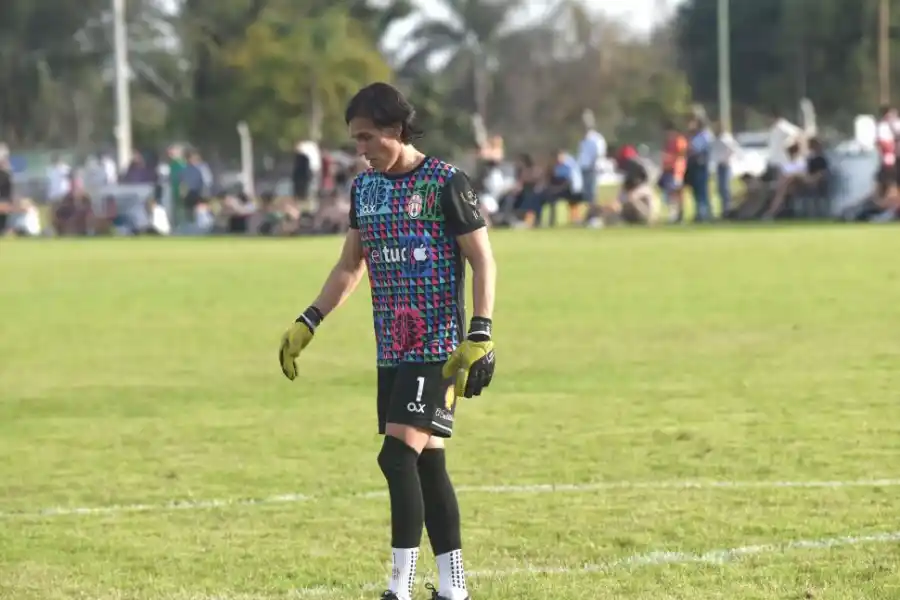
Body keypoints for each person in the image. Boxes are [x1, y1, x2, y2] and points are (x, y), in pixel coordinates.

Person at [278, 82, 497, 600]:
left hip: (439, 348)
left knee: (395, 458)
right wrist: (309, 320)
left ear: (396, 130)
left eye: (368, 137)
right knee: (427, 463)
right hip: (391, 349)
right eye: (355, 140)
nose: (361, 149)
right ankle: (453, 589)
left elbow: (483, 258)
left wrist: (480, 332)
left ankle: (397, 589)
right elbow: (351, 265)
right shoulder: (366, 190)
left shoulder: (446, 182)